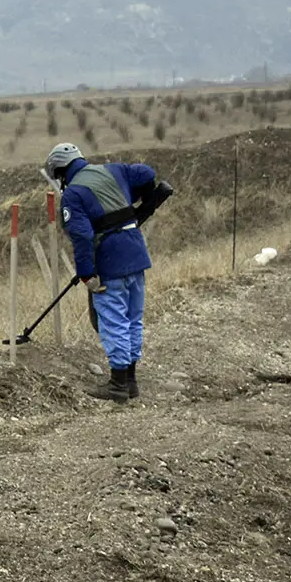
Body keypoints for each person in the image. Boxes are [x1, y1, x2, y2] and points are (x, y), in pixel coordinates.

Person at [46, 142, 172, 402]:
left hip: (110, 262)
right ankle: (131, 382)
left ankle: (117, 386)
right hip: (136, 254)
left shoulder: (74, 194)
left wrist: (87, 274)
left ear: (60, 172)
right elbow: (147, 173)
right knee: (133, 319)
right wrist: (143, 196)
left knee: (114, 322)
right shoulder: (115, 170)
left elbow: (81, 235)